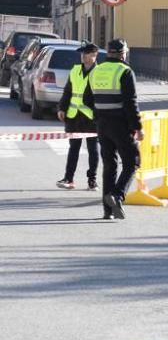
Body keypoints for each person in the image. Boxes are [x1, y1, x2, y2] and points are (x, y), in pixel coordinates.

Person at [82, 38, 141, 220]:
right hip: (120, 124)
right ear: (124, 54)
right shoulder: (125, 71)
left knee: (110, 165)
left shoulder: (95, 71)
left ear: (107, 53)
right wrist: (137, 127)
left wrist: (99, 112)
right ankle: (116, 195)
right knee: (133, 161)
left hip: (102, 124)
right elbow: (131, 103)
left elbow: (86, 100)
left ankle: (108, 211)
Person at [55, 42, 101, 191]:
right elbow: (68, 91)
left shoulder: (99, 73)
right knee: (73, 148)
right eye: (82, 53)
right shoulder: (75, 70)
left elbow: (101, 96)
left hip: (91, 118)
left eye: (85, 54)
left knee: (93, 149)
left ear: (93, 55)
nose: (82, 56)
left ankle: (92, 180)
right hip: (74, 116)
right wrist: (62, 108)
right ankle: (69, 178)